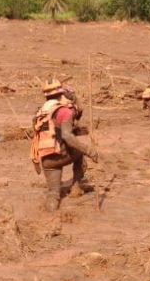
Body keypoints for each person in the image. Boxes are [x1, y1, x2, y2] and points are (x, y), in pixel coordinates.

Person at [30, 78, 99, 211]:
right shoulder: (64, 111)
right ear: (62, 95)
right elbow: (67, 136)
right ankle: (76, 187)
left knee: (54, 194)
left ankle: (50, 217)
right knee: (80, 154)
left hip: (46, 160)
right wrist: (89, 150)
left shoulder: (41, 112)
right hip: (61, 154)